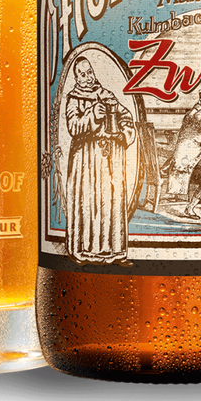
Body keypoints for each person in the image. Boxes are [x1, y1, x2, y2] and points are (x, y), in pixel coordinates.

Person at [64, 55, 136, 263]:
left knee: (110, 202)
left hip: (109, 159)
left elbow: (126, 116)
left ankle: (114, 251)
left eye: (89, 72)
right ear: (76, 78)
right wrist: (92, 114)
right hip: (86, 160)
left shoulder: (106, 95)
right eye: (82, 74)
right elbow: (73, 127)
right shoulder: (73, 99)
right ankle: (84, 250)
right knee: (88, 203)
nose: (87, 78)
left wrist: (122, 132)